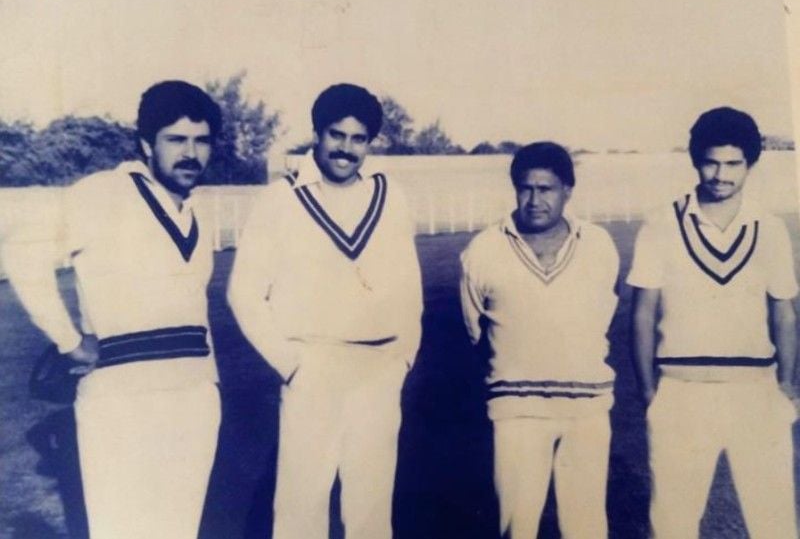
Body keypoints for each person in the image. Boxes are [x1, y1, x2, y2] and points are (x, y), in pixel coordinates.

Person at [2, 80, 223, 538]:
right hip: (122, 402)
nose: (191, 153)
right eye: (176, 140)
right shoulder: (103, 193)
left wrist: (210, 390)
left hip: (195, 398)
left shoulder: (192, 212)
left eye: (201, 141)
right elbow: (22, 255)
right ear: (146, 144)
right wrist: (68, 341)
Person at [228, 83, 423, 539]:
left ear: (370, 144)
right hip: (312, 365)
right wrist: (292, 365)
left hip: (378, 368)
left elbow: (408, 287)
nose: (346, 149)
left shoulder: (390, 196)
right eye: (337, 135)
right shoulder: (280, 199)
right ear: (317, 133)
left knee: (371, 508)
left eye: (358, 139)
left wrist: (403, 357)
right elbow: (243, 292)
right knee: (301, 506)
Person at [628, 106, 799, 538]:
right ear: (695, 159)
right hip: (681, 393)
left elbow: (784, 311)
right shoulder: (661, 223)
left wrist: (785, 388)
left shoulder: (770, 227)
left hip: (755, 393)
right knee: (672, 525)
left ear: (751, 164)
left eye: (733, 164)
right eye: (711, 161)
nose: (721, 174)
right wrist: (651, 393)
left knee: (774, 523)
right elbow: (643, 313)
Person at [459, 142, 620, 538]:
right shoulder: (483, 250)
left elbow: (604, 317)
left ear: (568, 190)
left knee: (586, 528)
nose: (534, 200)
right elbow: (475, 332)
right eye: (525, 188)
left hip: (587, 410)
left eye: (546, 189)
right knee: (518, 527)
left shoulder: (599, 245)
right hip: (518, 411)